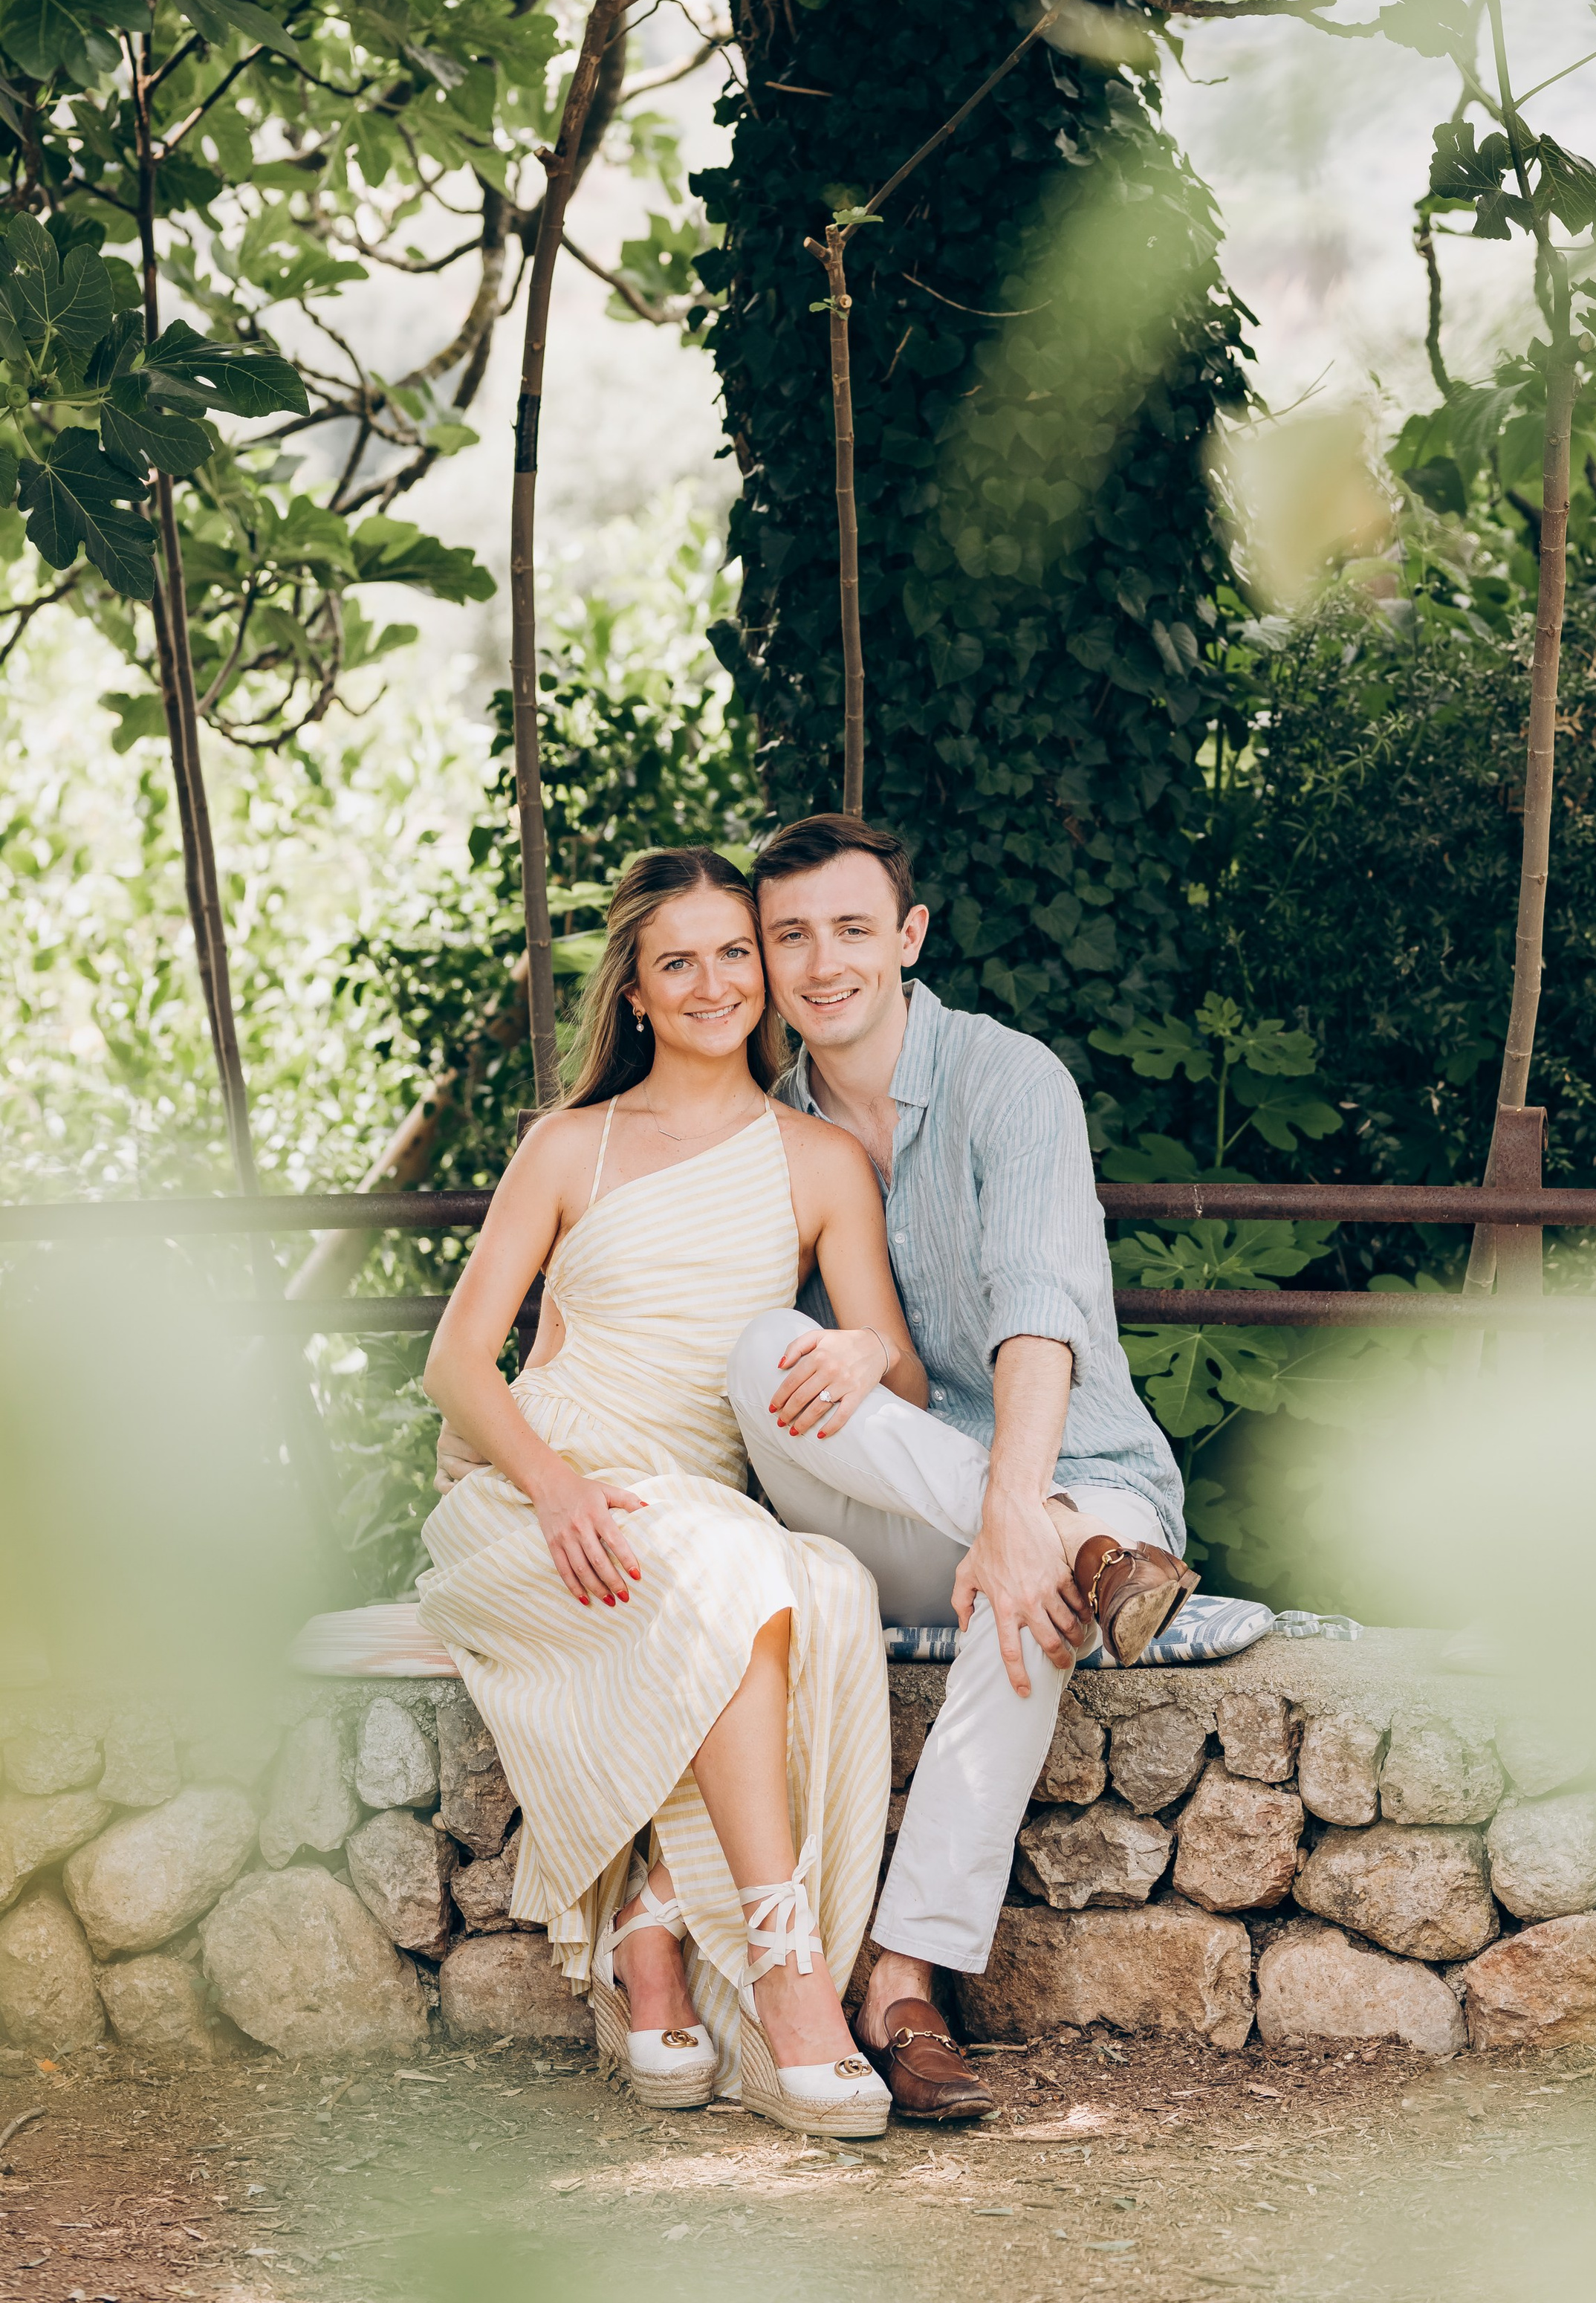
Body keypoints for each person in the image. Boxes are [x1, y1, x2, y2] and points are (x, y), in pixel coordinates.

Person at [417, 846, 923, 2139]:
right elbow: (456, 1365)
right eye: (677, 961)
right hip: (536, 1498)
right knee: (738, 1575)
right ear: (635, 992)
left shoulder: (818, 1162)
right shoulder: (568, 1146)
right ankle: (785, 1965)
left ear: (764, 971)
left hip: (695, 1500)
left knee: (823, 1581)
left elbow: (902, 1380)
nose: (714, 983)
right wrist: (555, 1488)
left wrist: (865, 1348)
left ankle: (652, 1918)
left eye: (734, 954)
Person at [724, 813, 1193, 2122]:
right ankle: (1076, 1557)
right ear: (764, 959)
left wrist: (1016, 1510)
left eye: (853, 930)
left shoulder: (1013, 1080)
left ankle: (903, 1977)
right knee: (767, 1348)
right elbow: (773, 1378)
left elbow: (1040, 1307)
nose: (824, 963)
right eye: (791, 936)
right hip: (893, 1508)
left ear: (910, 938)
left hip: (1082, 1471)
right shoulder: (764, 1134)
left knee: (1025, 1609)